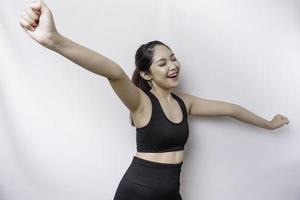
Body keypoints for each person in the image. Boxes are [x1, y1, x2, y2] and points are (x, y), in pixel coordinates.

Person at [19, 1, 290, 199]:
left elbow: (231, 109)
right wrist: (54, 40)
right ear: (147, 74)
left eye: (173, 58)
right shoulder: (141, 103)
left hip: (170, 192)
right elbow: (112, 71)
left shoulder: (186, 103)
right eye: (163, 63)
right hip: (138, 191)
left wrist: (268, 123)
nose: (173, 65)